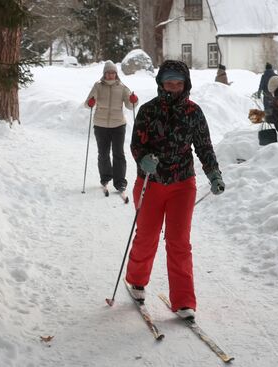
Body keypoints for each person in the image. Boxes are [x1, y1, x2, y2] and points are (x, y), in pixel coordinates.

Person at [125, 60, 225, 320]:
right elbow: (137, 144)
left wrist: (213, 173)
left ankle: (183, 301)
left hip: (182, 184)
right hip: (150, 182)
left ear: (186, 85)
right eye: (169, 82)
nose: (173, 87)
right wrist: (143, 158)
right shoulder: (148, 111)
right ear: (160, 83)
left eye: (178, 83)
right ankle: (136, 280)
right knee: (147, 236)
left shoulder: (194, 112)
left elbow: (204, 146)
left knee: (179, 242)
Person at [85, 60, 138, 192]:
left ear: (116, 74)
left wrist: (134, 100)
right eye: (108, 73)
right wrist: (91, 102)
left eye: (113, 73)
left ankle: (120, 182)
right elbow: (87, 104)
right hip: (100, 124)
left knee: (118, 153)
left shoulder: (122, 87)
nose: (110, 75)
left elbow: (130, 106)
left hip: (118, 125)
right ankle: (105, 177)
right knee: (103, 153)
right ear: (104, 73)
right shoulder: (97, 86)